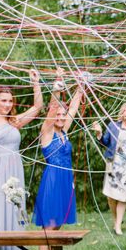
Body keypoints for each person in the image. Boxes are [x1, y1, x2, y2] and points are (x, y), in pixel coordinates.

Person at [0, 55, 44, 250]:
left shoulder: (15, 122)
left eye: (10, 101)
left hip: (13, 171)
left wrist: (35, 84)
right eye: (3, 100)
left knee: (11, 206)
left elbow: (37, 108)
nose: (7, 104)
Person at [33, 69, 84, 231]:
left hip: (66, 178)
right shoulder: (47, 131)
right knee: (50, 222)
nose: (61, 117)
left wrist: (81, 85)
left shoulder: (64, 130)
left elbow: (74, 108)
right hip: (53, 179)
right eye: (58, 115)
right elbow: (53, 108)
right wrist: (58, 83)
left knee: (59, 221)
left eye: (64, 114)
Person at [93, 102, 126, 235]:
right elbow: (105, 142)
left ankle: (118, 225)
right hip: (113, 164)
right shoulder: (113, 126)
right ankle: (115, 220)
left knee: (122, 196)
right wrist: (99, 133)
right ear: (122, 112)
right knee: (111, 196)